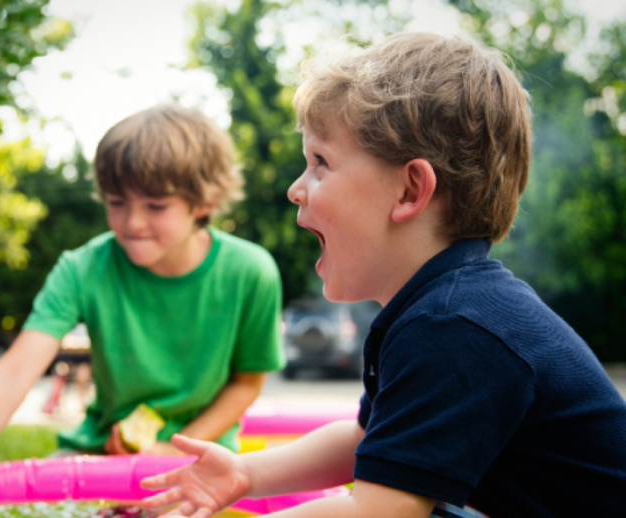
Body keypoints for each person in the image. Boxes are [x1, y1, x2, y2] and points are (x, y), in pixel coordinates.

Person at [139, 33, 626, 518]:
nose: (294, 189)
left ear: (410, 190)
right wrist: (247, 475)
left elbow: (377, 511)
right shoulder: (442, 309)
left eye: (320, 163)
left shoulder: (456, 327)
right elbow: (366, 441)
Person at [0, 104, 285, 517]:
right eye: (116, 202)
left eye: (155, 206)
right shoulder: (83, 267)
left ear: (204, 202)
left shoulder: (251, 271)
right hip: (98, 457)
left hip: (202, 460)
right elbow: (11, 376)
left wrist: (169, 450)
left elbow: (246, 383)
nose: (132, 222)